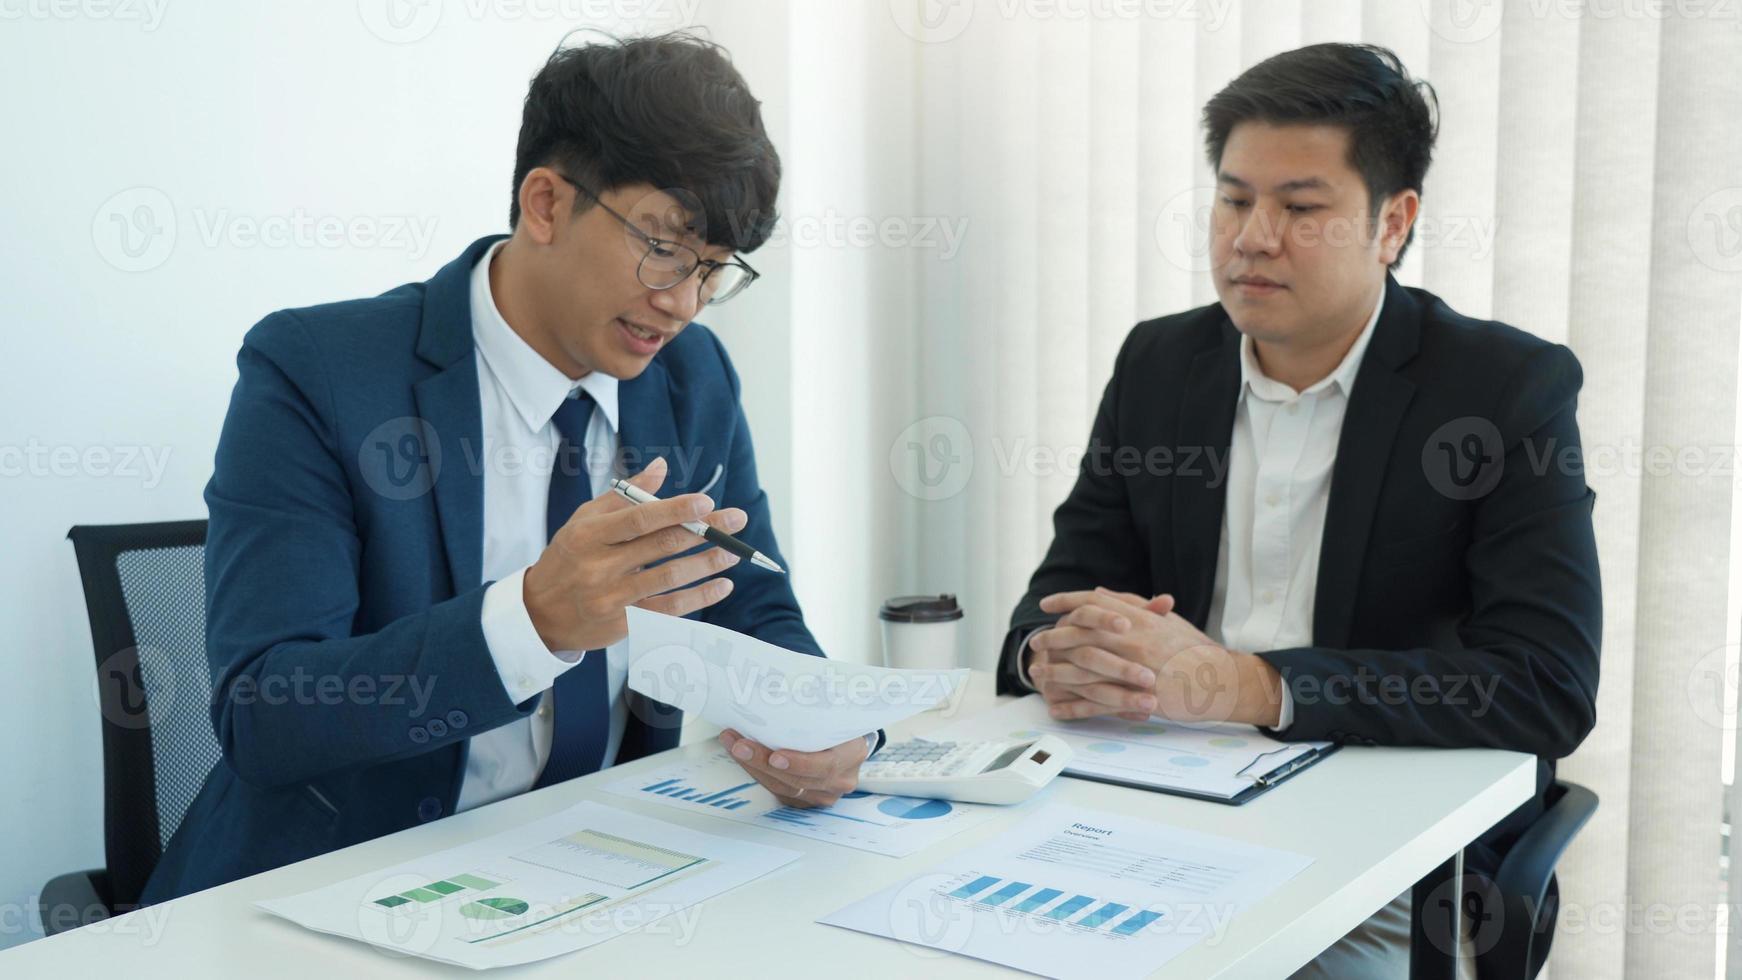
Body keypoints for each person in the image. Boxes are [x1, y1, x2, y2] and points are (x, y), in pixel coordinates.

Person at [144, 32, 876, 904]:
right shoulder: (320, 372)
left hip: (590, 877)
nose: (682, 302)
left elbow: (748, 598)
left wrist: (830, 725)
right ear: (546, 203)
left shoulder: (692, 379)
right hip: (332, 891)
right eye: (665, 248)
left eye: (715, 270)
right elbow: (266, 712)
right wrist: (533, 621)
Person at [997, 43, 1600, 978]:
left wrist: (1254, 686)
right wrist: (1053, 654)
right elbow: (1057, 600)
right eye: (1235, 200)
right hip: (1148, 814)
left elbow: (1544, 685)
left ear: (1392, 223)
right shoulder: (1161, 366)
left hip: (1386, 854)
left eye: (1301, 208)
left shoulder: (1502, 390)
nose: (1252, 238)